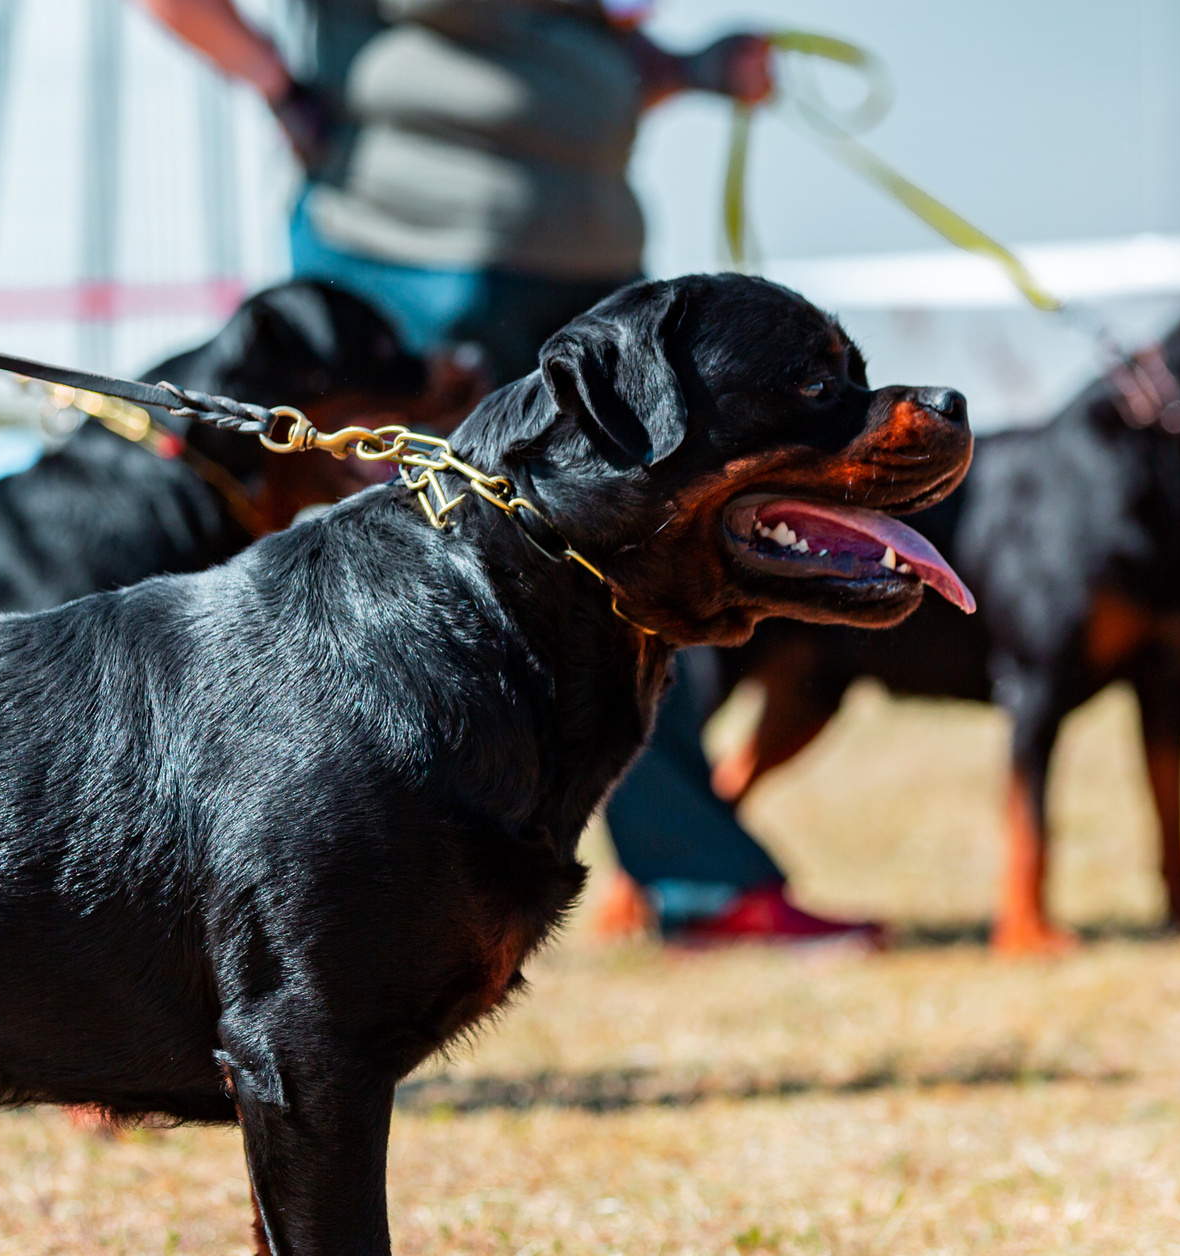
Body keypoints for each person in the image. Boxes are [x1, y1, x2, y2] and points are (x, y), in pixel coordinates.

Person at [138, 0, 880, 947]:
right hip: (409, 264)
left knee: (648, 572)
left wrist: (692, 70)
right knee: (382, 604)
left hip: (591, 275)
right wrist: (277, 84)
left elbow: (570, 45)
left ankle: (696, 882)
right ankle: (308, 892)